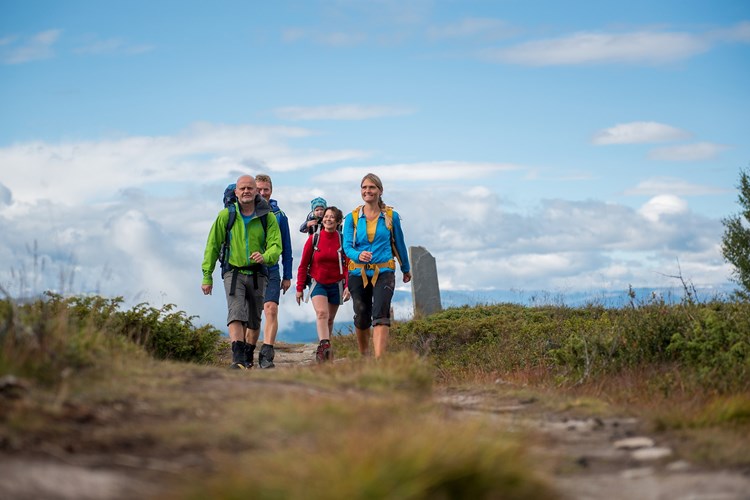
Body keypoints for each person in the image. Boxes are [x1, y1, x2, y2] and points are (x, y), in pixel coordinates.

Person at [201, 175, 282, 369]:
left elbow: (276, 244)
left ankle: (247, 355)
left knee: (254, 319)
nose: (246, 191)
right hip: (233, 272)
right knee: (236, 312)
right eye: (242, 188)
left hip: (258, 273)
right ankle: (237, 360)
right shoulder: (226, 216)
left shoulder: (267, 216)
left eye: (249, 188)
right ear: (236, 192)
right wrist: (207, 275)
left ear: (256, 192)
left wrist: (266, 256)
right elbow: (212, 245)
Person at [343, 173, 411, 359]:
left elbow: (399, 243)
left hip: (384, 271)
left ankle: (379, 360)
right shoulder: (352, 218)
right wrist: (358, 255)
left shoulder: (391, 216)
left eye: (372, 187)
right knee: (362, 315)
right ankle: (365, 356)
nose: (368, 191)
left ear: (380, 191)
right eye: (364, 188)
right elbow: (347, 246)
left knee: (381, 313)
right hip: (358, 272)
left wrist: (406, 268)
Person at [295, 206, 350, 362]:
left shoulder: (342, 240)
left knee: (330, 319)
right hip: (317, 282)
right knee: (322, 314)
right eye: (326, 216)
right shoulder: (314, 239)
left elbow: (348, 265)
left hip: (336, 284)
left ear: (339, 221)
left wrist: (347, 286)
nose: (328, 219)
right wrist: (299, 288)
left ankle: (324, 349)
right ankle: (325, 346)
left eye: (332, 217)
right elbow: (303, 265)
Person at [252, 173, 293, 369]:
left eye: (265, 189)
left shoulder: (280, 216)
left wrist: (288, 275)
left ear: (271, 191)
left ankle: (267, 353)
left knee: (271, 309)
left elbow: (287, 247)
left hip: (272, 270)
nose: (262, 193)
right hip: (250, 269)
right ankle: (246, 351)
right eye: (258, 189)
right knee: (252, 314)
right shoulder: (245, 213)